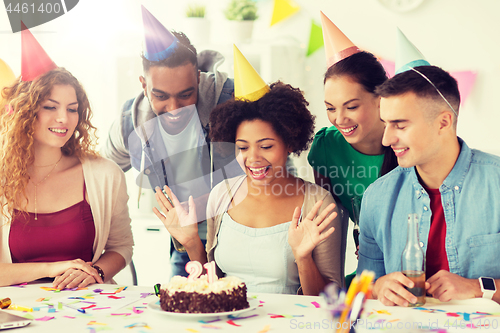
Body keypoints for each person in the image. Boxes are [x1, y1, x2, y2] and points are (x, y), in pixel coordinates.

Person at [152, 47, 345, 295]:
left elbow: (330, 300)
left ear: (289, 143)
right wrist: (192, 244)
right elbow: (214, 287)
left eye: (265, 146)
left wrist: (303, 258)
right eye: (242, 147)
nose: (252, 158)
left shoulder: (318, 202)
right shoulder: (221, 195)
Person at [102, 6, 235, 278]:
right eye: (161, 96)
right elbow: (97, 176)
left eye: (186, 94)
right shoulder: (131, 123)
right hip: (184, 243)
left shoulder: (231, 101)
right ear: (143, 84)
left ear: (198, 77)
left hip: (242, 237)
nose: (174, 108)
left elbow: (280, 166)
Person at [0, 28, 133, 290]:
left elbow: (121, 247)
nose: (64, 118)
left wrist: (94, 271)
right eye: (50, 107)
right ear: (25, 112)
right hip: (18, 314)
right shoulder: (3, 177)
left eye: (72, 109)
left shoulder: (105, 175)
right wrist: (54, 268)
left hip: (89, 314)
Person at [357, 63, 500, 305]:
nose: (387, 138)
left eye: (400, 125)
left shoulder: (495, 183)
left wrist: (478, 287)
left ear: (443, 122)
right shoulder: (377, 197)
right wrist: (377, 287)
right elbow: (363, 287)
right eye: (385, 124)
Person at [307, 13, 397, 266]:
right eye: (330, 108)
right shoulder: (326, 147)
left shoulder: (406, 146)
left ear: (381, 98)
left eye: (351, 106)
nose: (339, 118)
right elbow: (329, 223)